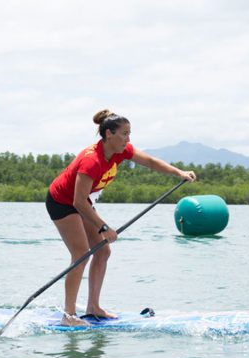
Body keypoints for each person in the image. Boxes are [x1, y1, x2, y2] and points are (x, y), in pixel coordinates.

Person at [46, 109, 196, 326]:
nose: (128, 138)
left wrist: (179, 173)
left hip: (81, 202)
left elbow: (151, 162)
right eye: (124, 133)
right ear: (109, 134)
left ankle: (93, 307)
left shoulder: (121, 151)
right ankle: (68, 316)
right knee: (81, 254)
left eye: (129, 133)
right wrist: (104, 227)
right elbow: (78, 202)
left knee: (103, 251)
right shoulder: (92, 160)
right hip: (62, 201)